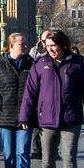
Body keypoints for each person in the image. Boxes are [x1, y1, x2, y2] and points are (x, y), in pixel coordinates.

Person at [19, 29, 84, 168]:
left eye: (53, 45)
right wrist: (25, 116)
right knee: (48, 159)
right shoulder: (40, 63)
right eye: (47, 46)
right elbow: (30, 92)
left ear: (63, 45)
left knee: (69, 157)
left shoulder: (76, 64)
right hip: (47, 120)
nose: (50, 49)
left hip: (71, 119)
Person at [0, 32, 35, 168]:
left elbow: (37, 89)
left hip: (25, 117)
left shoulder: (32, 64)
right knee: (9, 155)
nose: (26, 46)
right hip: (5, 116)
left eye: (26, 43)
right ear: (11, 46)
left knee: (23, 154)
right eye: (22, 44)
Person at [27, 30, 52, 160]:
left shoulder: (55, 51)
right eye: (43, 39)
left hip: (51, 92)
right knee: (37, 123)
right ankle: (37, 148)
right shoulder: (34, 51)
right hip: (38, 91)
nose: (45, 42)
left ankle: (52, 148)